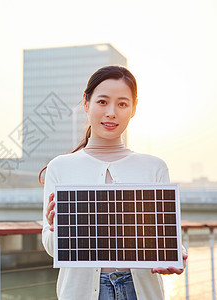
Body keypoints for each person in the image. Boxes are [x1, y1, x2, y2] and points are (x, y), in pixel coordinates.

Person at [40, 65, 188, 300]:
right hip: (79, 293)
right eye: (102, 102)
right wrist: (53, 227)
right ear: (86, 103)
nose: (111, 112)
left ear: (133, 109)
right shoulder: (60, 167)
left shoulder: (154, 167)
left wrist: (176, 255)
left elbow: (165, 236)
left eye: (122, 104)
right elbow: (51, 248)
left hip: (140, 291)